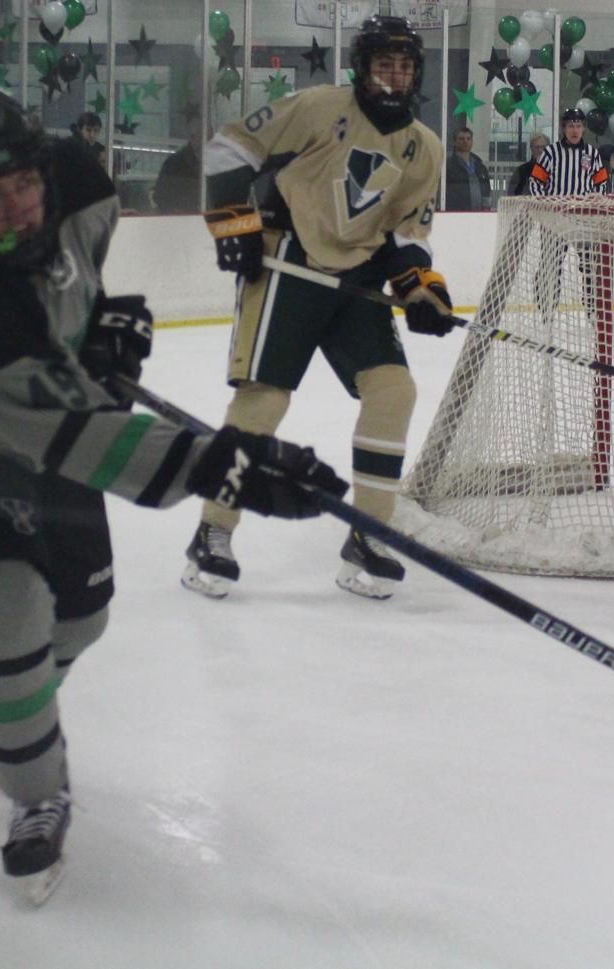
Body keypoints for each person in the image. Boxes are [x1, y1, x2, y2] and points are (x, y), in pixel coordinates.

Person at [0, 86, 345, 901]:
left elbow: (71, 275)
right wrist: (226, 465)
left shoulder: (79, 181)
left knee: (82, 612)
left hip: (45, 416)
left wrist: (93, 326)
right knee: (7, 605)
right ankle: (37, 793)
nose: (13, 208)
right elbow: (76, 439)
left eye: (21, 183)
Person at [182, 15, 453, 602]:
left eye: (405, 66)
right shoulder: (317, 107)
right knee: (264, 398)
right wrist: (233, 222)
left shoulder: (425, 148)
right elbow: (229, 148)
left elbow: (408, 234)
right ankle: (212, 531)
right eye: (384, 64)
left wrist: (422, 292)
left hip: (357, 278)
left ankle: (369, 534)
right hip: (288, 264)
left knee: (393, 392)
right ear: (362, 67)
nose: (395, 76)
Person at [528, 108, 608, 317]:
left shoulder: (592, 154)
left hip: (583, 221)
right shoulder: (550, 153)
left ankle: (592, 309)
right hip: (556, 220)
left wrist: (594, 204)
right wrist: (544, 207)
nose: (575, 130)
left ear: (584, 129)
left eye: (579, 126)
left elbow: (601, 183)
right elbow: (536, 182)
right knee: (550, 265)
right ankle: (547, 307)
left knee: (590, 266)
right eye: (571, 126)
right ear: (564, 128)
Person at [152, 127, 202, 214]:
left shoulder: (212, 162)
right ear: (193, 137)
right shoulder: (174, 162)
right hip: (178, 215)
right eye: (204, 137)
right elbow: (161, 195)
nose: (209, 142)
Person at [445, 126, 491, 211]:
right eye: (461, 139)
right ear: (454, 142)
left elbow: (486, 190)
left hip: (480, 214)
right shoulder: (448, 166)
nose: (465, 141)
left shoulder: (480, 166)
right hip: (457, 213)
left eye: (468, 139)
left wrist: (486, 209)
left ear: (472, 141)